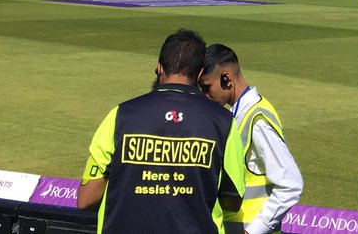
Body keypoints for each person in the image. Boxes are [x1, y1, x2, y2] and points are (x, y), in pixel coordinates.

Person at [77, 29, 245, 233]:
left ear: (159, 69)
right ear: (200, 74)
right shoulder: (223, 122)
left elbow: (86, 200)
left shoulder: (120, 115)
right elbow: (232, 199)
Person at [199, 44, 304, 234]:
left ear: (226, 79)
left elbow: (291, 184)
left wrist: (254, 231)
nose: (204, 96)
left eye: (207, 87)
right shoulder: (238, 115)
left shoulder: (258, 120)